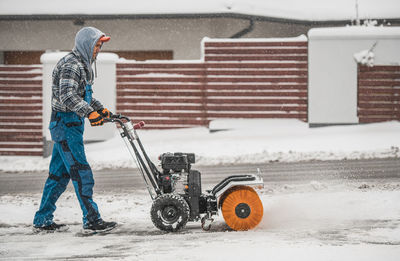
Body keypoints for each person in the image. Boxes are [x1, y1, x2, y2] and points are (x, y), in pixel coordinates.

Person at [33, 27, 117, 232]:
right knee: (81, 173)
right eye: (96, 45)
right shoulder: (71, 64)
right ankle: (92, 219)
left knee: (58, 176)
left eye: (100, 45)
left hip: (69, 125)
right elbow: (68, 97)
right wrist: (89, 113)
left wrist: (100, 109)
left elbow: (83, 94)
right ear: (86, 45)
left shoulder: (82, 64)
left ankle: (42, 219)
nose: (98, 49)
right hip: (65, 125)